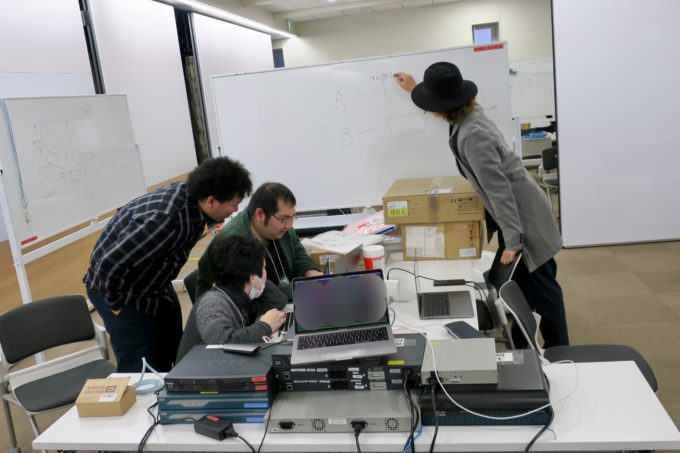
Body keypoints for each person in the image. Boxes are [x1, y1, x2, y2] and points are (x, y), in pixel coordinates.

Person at [394, 62, 569, 348]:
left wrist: (512, 242)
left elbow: (500, 191)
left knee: (544, 291)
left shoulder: (473, 135)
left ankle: (560, 352)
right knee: (522, 288)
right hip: (518, 215)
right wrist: (413, 89)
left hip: (525, 219)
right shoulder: (469, 115)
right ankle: (525, 348)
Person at [84, 156, 253, 372]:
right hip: (117, 288)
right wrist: (117, 306)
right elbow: (109, 265)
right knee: (141, 362)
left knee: (172, 345)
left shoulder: (193, 202)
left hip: (153, 282)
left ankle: (171, 380)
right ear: (211, 201)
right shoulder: (166, 220)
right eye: (233, 204)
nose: (235, 210)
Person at [196, 182, 322, 301]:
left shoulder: (280, 225)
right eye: (284, 219)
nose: (289, 225)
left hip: (281, 298)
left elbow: (297, 251)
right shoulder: (235, 242)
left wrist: (311, 273)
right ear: (260, 215)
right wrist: (303, 288)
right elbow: (254, 292)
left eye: (292, 218)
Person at [176, 236, 287, 361]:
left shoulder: (237, 292)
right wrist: (265, 327)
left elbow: (278, 300)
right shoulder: (212, 304)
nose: (266, 272)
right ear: (252, 278)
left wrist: (258, 280)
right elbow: (223, 345)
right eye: (264, 267)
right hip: (200, 370)